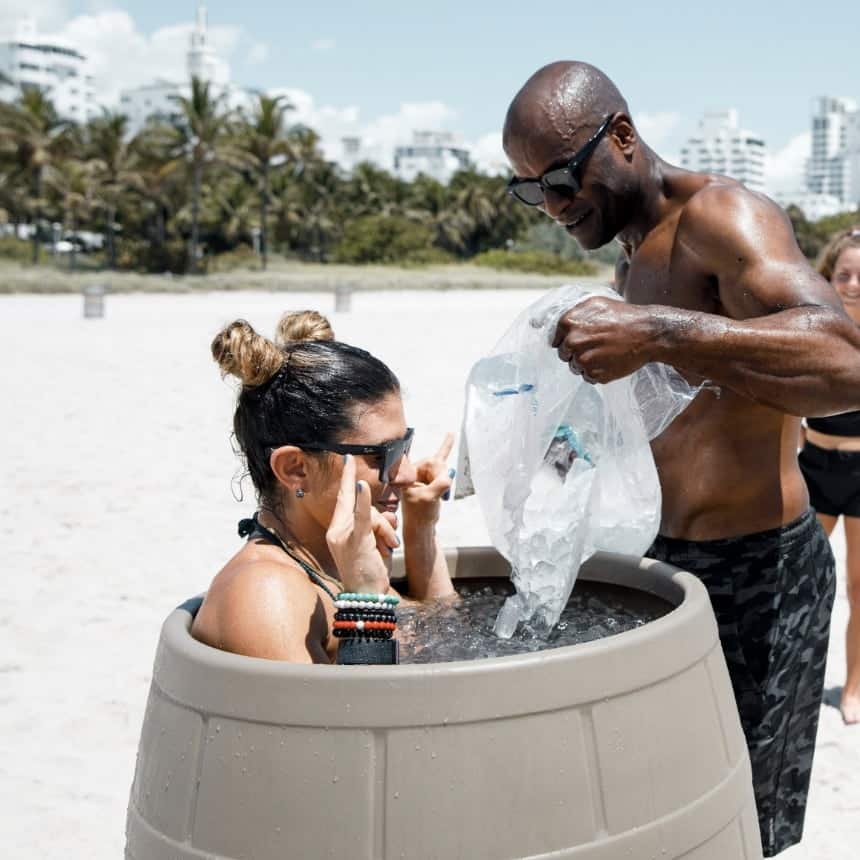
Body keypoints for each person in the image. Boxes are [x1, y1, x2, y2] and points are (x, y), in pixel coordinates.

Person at [502, 62, 860, 856]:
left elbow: (845, 363)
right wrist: (538, 461)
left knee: (744, 826)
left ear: (622, 136)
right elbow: (640, 415)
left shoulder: (722, 217)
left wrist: (659, 331)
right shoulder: (628, 254)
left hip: (758, 572)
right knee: (661, 811)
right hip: (662, 563)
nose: (554, 206)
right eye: (530, 191)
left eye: (562, 178)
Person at [192, 310, 456, 664]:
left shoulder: (333, 558)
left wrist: (421, 527)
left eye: (404, 445)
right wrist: (367, 601)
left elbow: (439, 637)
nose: (406, 473)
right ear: (295, 468)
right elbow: (356, 717)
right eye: (384, 454)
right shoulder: (266, 594)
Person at [799, 227, 860, 725]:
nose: (854, 284)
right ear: (828, 277)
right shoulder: (815, 328)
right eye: (844, 274)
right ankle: (799, 679)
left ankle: (854, 687)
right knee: (803, 581)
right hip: (814, 468)